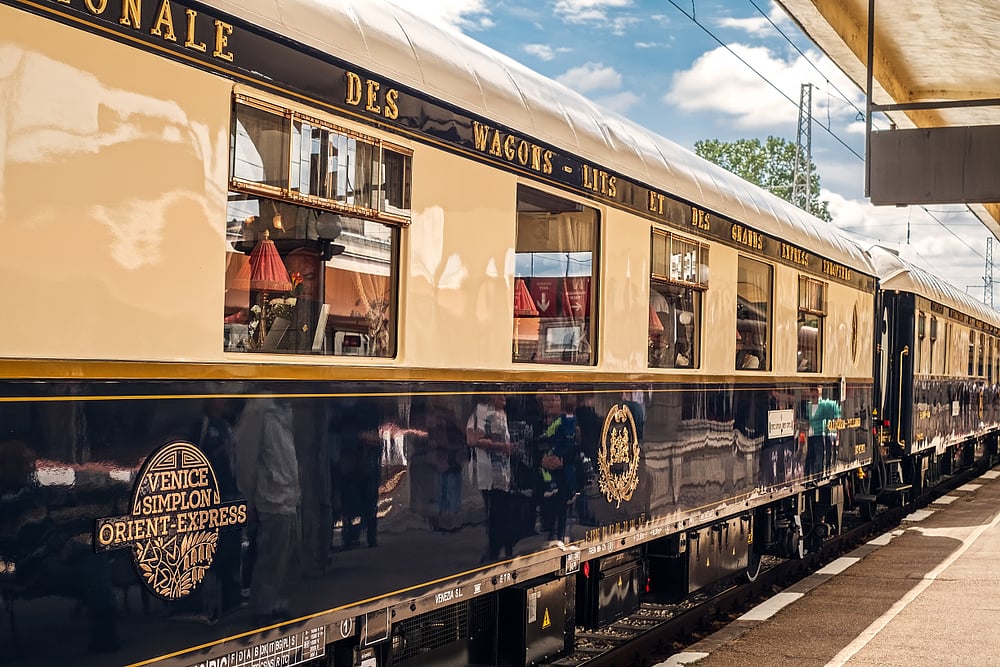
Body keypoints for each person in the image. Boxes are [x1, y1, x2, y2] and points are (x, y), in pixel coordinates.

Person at [234, 395, 300, 624]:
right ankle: (262, 610)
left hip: (288, 495)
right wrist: (249, 499)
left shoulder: (284, 408)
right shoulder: (259, 410)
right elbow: (246, 459)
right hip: (270, 497)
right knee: (271, 557)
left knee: (286, 558)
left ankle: (277, 605)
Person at [467, 395, 514, 561]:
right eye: (500, 393)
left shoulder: (505, 413)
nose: (504, 397)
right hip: (488, 471)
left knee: (503, 510)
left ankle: (504, 547)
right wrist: (502, 447)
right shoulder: (481, 411)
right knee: (494, 510)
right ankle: (494, 549)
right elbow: (473, 440)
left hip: (504, 470)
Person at [535, 394, 579, 545]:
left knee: (562, 508)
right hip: (542, 479)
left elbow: (576, 446)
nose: (551, 403)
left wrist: (561, 459)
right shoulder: (537, 423)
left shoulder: (566, 421)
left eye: (555, 399)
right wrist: (541, 460)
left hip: (563, 474)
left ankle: (559, 536)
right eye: (547, 399)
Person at [805, 386, 841, 477]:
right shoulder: (809, 406)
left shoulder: (825, 405)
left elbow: (836, 410)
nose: (814, 397)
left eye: (816, 395)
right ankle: (812, 475)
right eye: (813, 395)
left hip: (821, 435)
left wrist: (837, 433)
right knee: (811, 457)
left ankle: (819, 475)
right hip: (811, 435)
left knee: (819, 457)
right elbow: (808, 421)